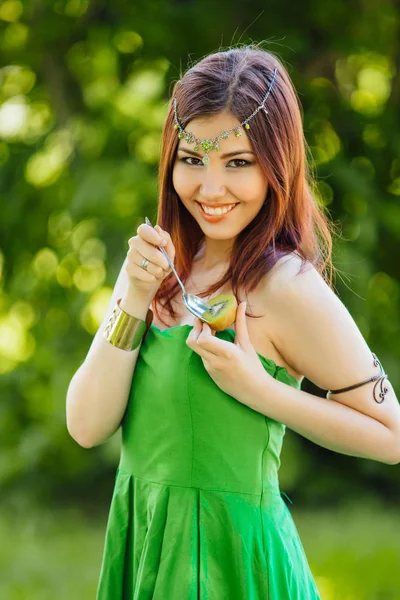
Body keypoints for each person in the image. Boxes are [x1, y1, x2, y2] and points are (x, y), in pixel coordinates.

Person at [66, 44, 400, 599]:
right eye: (192, 160)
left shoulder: (285, 287)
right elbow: (86, 425)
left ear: (277, 167)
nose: (210, 189)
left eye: (238, 163)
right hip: (148, 545)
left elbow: (393, 436)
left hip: (235, 564)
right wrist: (134, 297)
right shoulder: (155, 266)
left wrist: (259, 389)